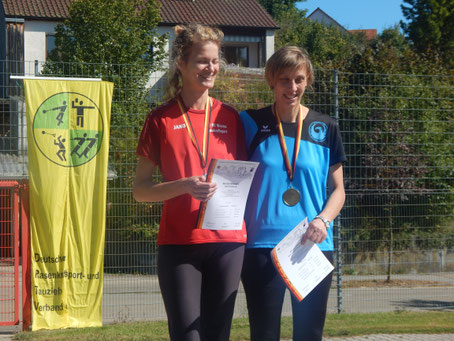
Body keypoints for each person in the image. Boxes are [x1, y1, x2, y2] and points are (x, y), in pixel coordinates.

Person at [133, 23, 247, 341]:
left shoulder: (232, 118)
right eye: (201, 60)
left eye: (214, 61)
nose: (210, 68)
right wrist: (183, 185)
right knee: (186, 336)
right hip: (180, 244)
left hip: (228, 242)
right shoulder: (160, 119)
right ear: (181, 64)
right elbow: (140, 190)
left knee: (217, 334)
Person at [239, 46, 346, 341]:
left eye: (298, 79)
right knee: (264, 334)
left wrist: (323, 220)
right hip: (262, 246)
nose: (292, 87)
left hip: (311, 246)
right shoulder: (250, 123)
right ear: (271, 80)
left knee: (309, 334)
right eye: (284, 79)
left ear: (308, 80)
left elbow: (338, 190)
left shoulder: (326, 127)